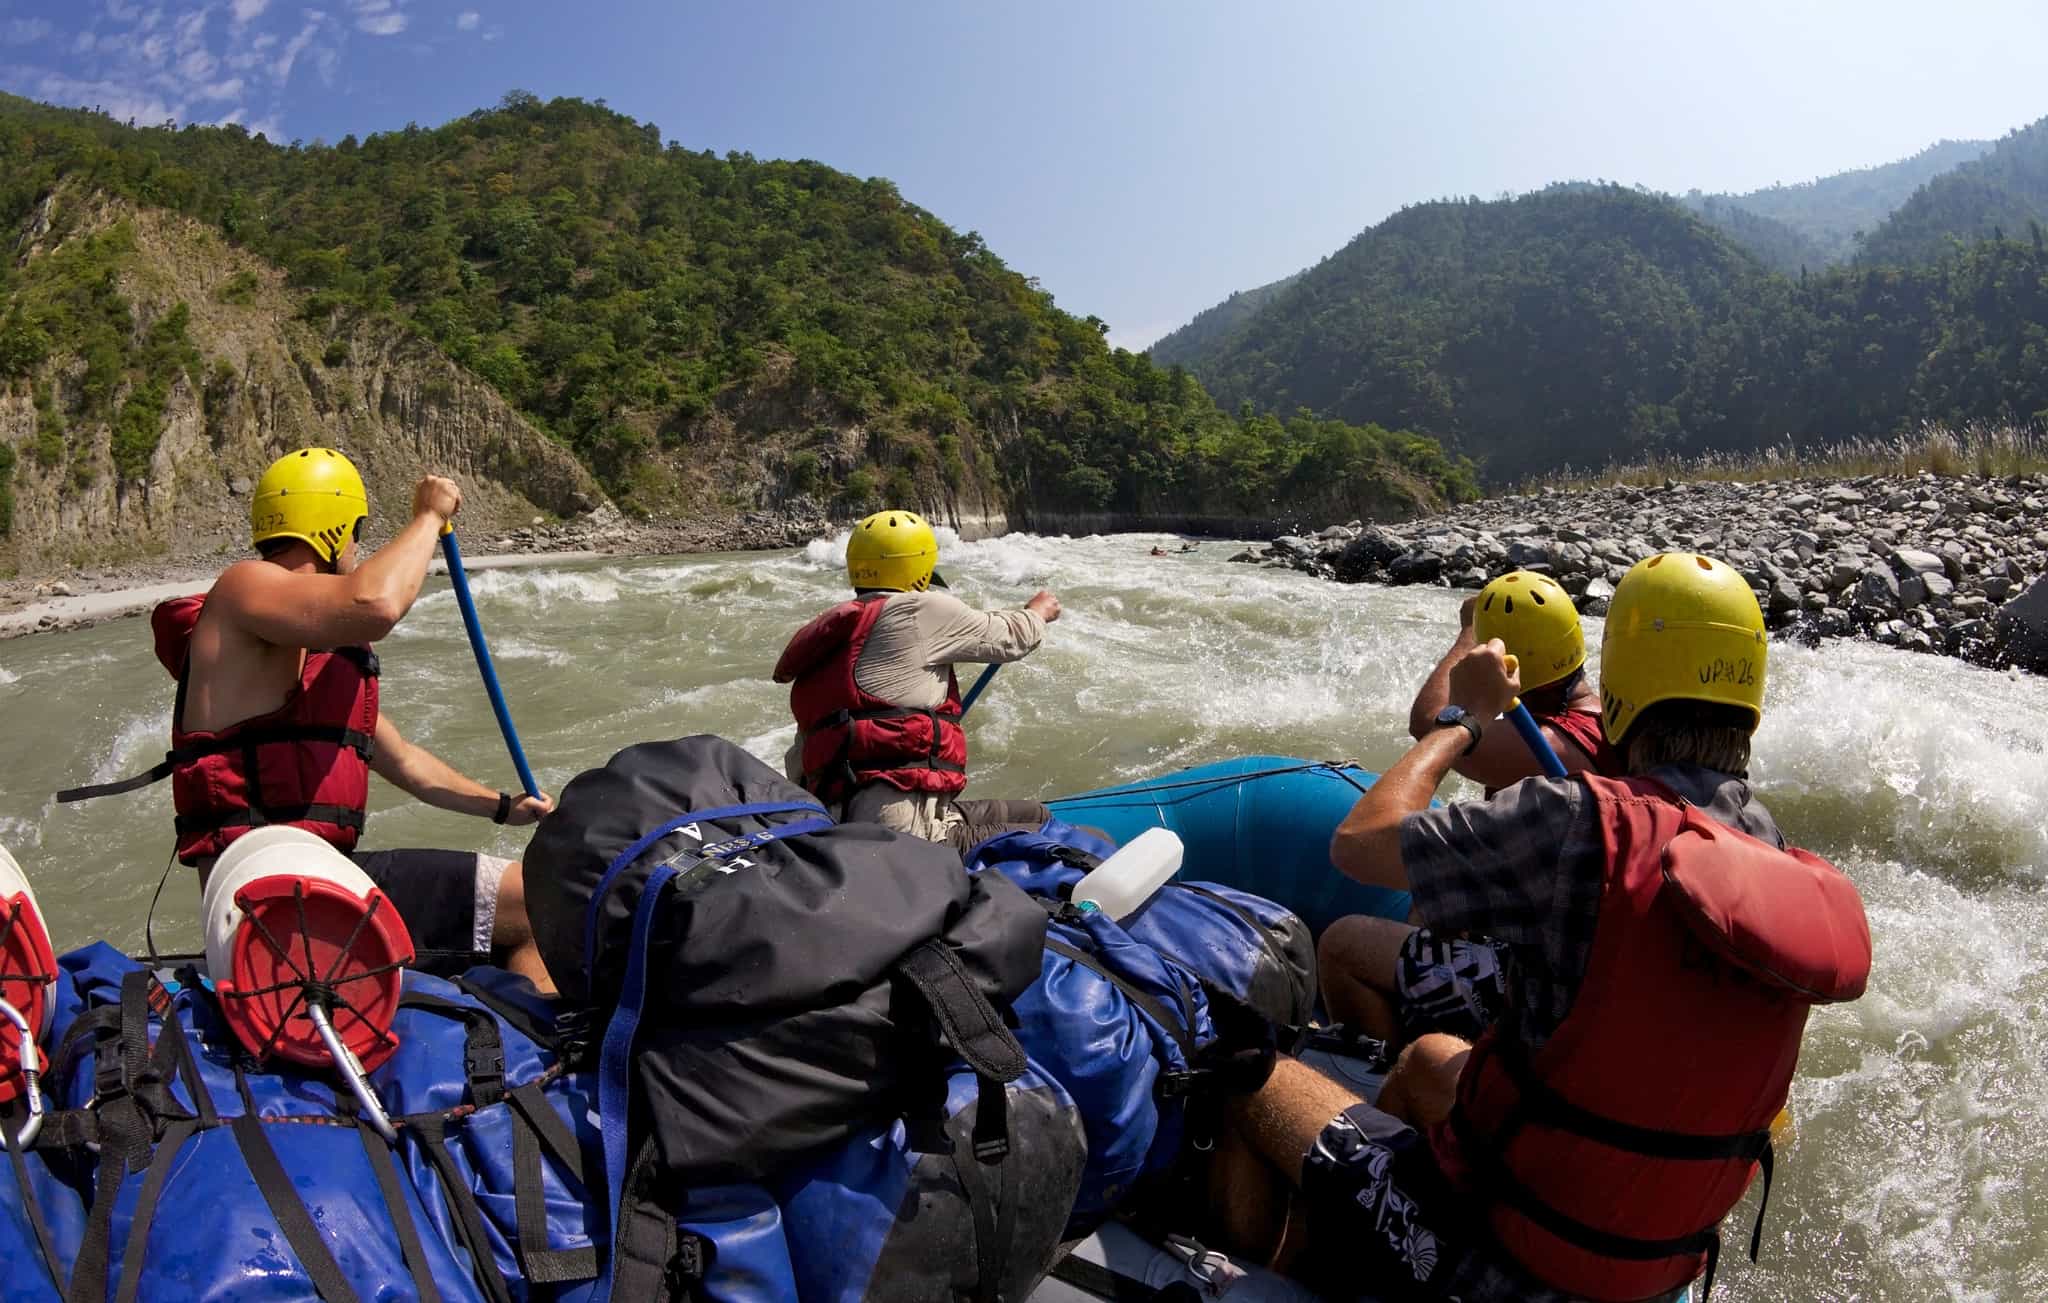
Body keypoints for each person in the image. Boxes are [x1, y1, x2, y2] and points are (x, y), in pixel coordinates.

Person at [1207, 552, 1871, 1302]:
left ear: (1624, 681)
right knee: (1428, 1057)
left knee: (1239, 1068)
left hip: (1508, 1256)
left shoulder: (1577, 825)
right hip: (1648, 1266)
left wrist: (1463, 720)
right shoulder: (1783, 863)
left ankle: (1302, 1275)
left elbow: (1359, 841)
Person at [61, 448, 554, 984]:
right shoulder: (242, 589)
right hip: (274, 901)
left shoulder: (309, 656)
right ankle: (550, 1052)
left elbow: (406, 762)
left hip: (315, 888)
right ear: (334, 528)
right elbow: (378, 605)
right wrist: (429, 517)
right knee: (534, 904)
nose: (357, 547)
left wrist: (504, 807)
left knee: (521, 898)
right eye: (357, 531)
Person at [1320, 570, 1626, 1040]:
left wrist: (1470, 633)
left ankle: (1389, 1073)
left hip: (1536, 972)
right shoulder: (1601, 720)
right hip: (1564, 939)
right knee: (1425, 910)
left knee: (1342, 945)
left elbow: (1431, 724)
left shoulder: (1548, 744)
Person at [774, 509, 1062, 855]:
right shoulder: (919, 609)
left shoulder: (838, 632)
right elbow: (1011, 636)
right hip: (904, 836)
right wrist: (1038, 611)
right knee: (1059, 841)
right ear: (920, 566)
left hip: (838, 823)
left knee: (1038, 814)